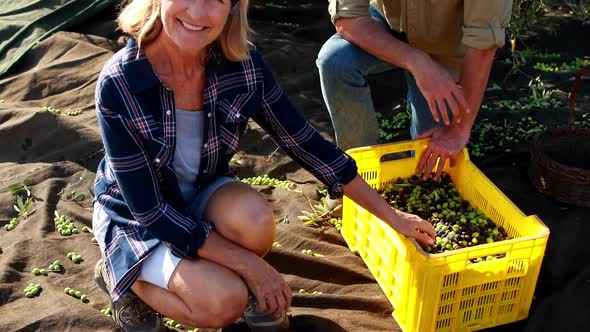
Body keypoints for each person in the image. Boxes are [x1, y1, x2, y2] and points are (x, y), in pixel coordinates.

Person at [91, 0, 435, 331]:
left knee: (254, 223)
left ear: (233, 9)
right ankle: (122, 276)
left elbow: (305, 144)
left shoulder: (241, 63)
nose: (198, 12)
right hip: (138, 219)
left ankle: (205, 269)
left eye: (217, 0)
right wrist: (251, 266)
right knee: (224, 302)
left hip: (198, 193)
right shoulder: (121, 82)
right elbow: (150, 212)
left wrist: (391, 215)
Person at [317, 1, 512, 184]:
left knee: (431, 165)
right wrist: (417, 61)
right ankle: (356, 175)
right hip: (387, 23)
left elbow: (483, 45)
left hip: (447, 46)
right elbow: (349, 20)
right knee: (336, 61)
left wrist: (458, 130)